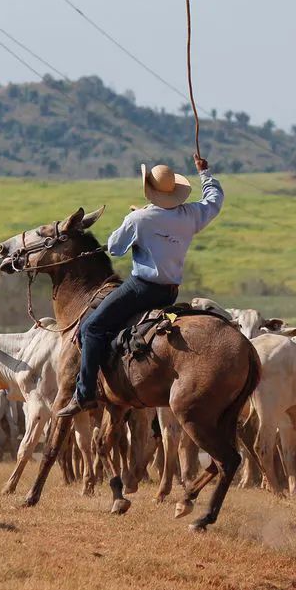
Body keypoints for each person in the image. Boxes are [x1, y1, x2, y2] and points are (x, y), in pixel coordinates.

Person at [57, 153, 223, 418]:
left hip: (141, 289)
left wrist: (134, 222)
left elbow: (114, 247)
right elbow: (214, 201)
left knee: (92, 327)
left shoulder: (139, 220)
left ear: (148, 190)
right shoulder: (190, 214)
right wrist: (205, 173)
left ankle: (85, 393)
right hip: (170, 292)